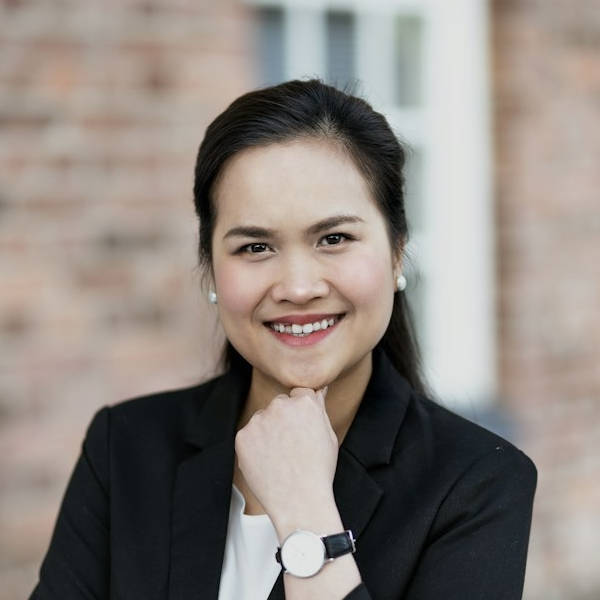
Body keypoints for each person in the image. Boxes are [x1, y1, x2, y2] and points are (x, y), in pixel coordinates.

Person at [30, 79, 536, 600]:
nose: (297, 287)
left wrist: (306, 517)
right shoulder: (126, 447)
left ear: (396, 252)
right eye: (254, 247)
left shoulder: (477, 481)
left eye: (334, 239)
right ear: (209, 270)